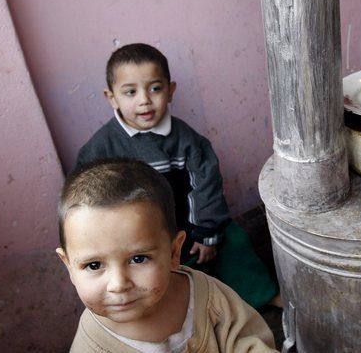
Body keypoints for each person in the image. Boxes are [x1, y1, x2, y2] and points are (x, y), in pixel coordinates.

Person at [75, 43, 281, 310]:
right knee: (155, 277)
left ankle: (262, 297)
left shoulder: (186, 140)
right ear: (112, 97)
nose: (144, 100)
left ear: (170, 91)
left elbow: (205, 184)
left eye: (155, 88)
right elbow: (88, 201)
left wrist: (206, 232)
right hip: (137, 235)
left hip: (190, 225)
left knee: (235, 242)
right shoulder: (101, 149)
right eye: (130, 92)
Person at [56, 159, 277, 352]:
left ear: (174, 252)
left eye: (138, 259)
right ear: (69, 267)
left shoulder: (207, 297)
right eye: (94, 265)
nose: (118, 284)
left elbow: (247, 340)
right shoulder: (92, 346)